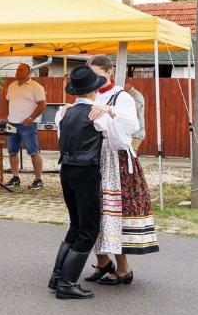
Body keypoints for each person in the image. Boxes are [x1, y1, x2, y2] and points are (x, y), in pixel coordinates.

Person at [83, 55, 158, 286]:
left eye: (97, 75)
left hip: (115, 160)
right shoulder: (88, 94)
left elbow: (130, 126)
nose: (94, 80)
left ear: (109, 73)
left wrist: (110, 111)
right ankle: (103, 262)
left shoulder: (121, 96)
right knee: (94, 212)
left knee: (114, 213)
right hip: (93, 157)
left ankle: (124, 268)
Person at [48, 65, 116, 300]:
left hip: (66, 170)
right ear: (95, 90)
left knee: (75, 225)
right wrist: (110, 111)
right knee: (88, 229)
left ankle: (58, 276)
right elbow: (117, 139)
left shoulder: (64, 113)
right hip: (86, 172)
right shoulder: (96, 114)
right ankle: (66, 283)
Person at [2, 63, 46, 189]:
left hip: (28, 124)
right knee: (12, 152)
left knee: (33, 152)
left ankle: (38, 180)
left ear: (28, 73)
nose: (17, 72)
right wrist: (7, 116)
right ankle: (15, 177)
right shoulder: (11, 86)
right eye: (17, 70)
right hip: (11, 123)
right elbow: (7, 101)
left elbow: (42, 105)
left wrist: (31, 118)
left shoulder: (36, 87)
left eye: (21, 70)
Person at [124, 81, 145, 151]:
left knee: (131, 155)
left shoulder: (136, 95)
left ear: (128, 84)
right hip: (130, 132)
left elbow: (133, 112)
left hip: (136, 133)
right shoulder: (126, 94)